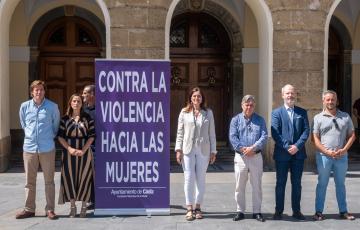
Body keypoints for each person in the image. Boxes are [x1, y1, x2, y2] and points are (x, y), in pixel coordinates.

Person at [16, 80, 60, 220]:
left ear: (44, 91)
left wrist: (47, 138)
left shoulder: (52, 107)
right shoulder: (24, 107)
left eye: (41, 89)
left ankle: (50, 209)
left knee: (49, 181)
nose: (38, 92)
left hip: (47, 148)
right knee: (29, 181)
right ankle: (29, 209)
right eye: (36, 90)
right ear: (31, 92)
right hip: (29, 148)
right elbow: (24, 124)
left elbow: (55, 126)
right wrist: (31, 137)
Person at [312, 90, 356, 221]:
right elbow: (314, 138)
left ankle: (343, 211)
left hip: (341, 157)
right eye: (328, 99)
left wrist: (344, 150)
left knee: (340, 184)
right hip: (324, 157)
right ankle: (318, 211)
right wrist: (326, 152)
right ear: (323, 101)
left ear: (337, 101)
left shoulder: (345, 117)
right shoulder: (317, 118)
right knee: (322, 184)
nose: (330, 102)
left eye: (333, 99)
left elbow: (352, 135)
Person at [175, 87, 217, 221]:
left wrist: (213, 151)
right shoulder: (184, 112)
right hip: (187, 149)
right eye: (194, 96)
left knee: (201, 179)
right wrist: (178, 150)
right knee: (188, 178)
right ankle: (189, 208)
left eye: (198, 96)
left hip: (203, 149)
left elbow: (212, 133)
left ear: (202, 98)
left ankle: (198, 207)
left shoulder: (208, 113)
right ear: (190, 98)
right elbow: (180, 132)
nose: (196, 99)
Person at [271, 84, 310, 220]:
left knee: (297, 183)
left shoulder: (302, 112)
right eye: (287, 93)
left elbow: (306, 131)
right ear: (282, 95)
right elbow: (275, 133)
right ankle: (278, 210)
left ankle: (297, 210)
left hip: (298, 155)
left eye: (292, 93)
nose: (290, 96)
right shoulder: (276, 113)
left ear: (295, 95)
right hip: (282, 154)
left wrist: (297, 146)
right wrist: (288, 147)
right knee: (280, 183)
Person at [229, 95, 268, 222]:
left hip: (256, 156)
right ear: (242, 105)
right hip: (241, 157)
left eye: (251, 105)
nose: (249, 107)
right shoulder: (236, 120)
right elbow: (233, 137)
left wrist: (253, 148)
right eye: (247, 104)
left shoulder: (260, 120)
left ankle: (257, 211)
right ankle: (240, 211)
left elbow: (264, 136)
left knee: (257, 185)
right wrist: (243, 149)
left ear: (254, 106)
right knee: (239, 185)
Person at [57, 94, 95, 218]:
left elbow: (92, 136)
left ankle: (84, 207)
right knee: (70, 179)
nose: (76, 103)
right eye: (74, 101)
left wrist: (83, 150)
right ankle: (72, 207)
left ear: (81, 104)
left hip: (85, 153)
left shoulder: (87, 118)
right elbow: (60, 136)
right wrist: (69, 148)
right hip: (69, 153)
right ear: (70, 103)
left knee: (85, 178)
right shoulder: (64, 118)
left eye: (78, 101)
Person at [82, 84, 96, 210]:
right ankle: (92, 200)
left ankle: (99, 200)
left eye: (85, 93)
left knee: (97, 174)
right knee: (89, 174)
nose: (83, 95)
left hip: (98, 147)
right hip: (86, 147)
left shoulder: (102, 109)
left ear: (92, 95)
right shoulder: (83, 110)